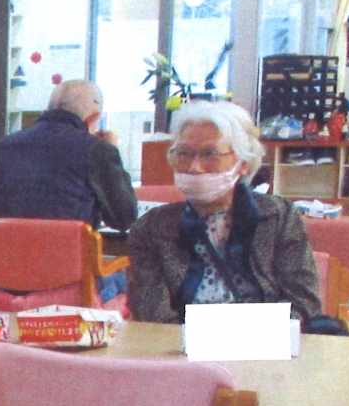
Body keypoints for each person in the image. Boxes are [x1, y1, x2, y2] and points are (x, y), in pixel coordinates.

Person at [126, 102, 327, 326]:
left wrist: (251, 335)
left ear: (243, 162)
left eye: (210, 154)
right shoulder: (151, 227)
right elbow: (152, 313)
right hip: (184, 342)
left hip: (267, 339)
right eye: (184, 154)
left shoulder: (279, 216)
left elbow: (304, 303)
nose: (194, 167)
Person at [0, 79, 138, 300]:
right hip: (70, 284)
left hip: (5, 282)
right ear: (94, 118)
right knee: (137, 279)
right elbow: (124, 218)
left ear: (48, 109)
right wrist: (113, 151)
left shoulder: (3, 147)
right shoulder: (97, 148)